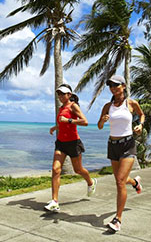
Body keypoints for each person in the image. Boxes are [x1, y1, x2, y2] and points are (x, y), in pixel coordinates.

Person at [97, 75, 145, 232]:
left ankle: (118, 219)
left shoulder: (131, 103)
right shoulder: (107, 106)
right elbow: (99, 125)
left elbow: (142, 114)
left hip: (128, 145)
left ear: (123, 86)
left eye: (116, 85)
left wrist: (140, 125)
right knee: (121, 179)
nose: (113, 88)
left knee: (119, 182)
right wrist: (103, 120)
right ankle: (135, 183)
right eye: (110, 85)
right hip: (112, 145)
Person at [44, 84, 97, 212]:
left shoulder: (73, 106)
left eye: (63, 94)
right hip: (61, 143)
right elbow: (62, 123)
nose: (61, 96)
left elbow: (85, 122)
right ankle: (54, 201)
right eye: (59, 94)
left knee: (78, 170)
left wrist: (68, 121)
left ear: (69, 95)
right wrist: (55, 127)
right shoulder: (61, 108)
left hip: (73, 143)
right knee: (55, 169)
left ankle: (91, 182)